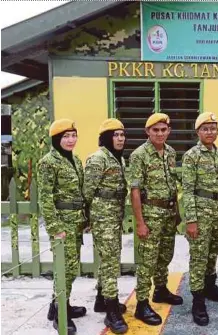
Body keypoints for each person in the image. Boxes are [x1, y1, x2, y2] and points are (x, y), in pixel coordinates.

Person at [129, 113, 183, 326]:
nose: (160, 134)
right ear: (147, 132)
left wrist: (177, 211)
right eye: (155, 130)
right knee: (147, 261)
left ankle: (160, 290)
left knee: (165, 254)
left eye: (163, 130)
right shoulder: (139, 155)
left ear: (169, 131)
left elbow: (172, 184)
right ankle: (142, 303)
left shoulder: (170, 152)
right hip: (151, 214)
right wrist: (140, 222)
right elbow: (134, 190)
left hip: (169, 213)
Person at [182, 112, 218, 326]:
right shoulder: (192, 155)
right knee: (199, 256)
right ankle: (198, 299)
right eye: (205, 128)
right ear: (198, 132)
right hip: (201, 214)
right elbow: (188, 189)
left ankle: (210, 286)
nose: (210, 132)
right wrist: (191, 220)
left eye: (213, 128)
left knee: (213, 252)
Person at [38, 119, 87, 334]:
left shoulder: (75, 159)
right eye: (66, 136)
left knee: (71, 268)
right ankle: (60, 314)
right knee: (64, 270)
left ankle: (58, 305)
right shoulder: (48, 162)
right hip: (62, 224)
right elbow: (45, 198)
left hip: (75, 223)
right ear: (57, 139)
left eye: (73, 135)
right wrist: (55, 226)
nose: (71, 140)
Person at [83, 118, 128, 334]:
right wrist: (90, 218)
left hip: (114, 217)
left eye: (122, 135)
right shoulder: (98, 159)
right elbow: (87, 192)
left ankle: (101, 299)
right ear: (106, 138)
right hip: (103, 218)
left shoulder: (119, 159)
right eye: (116, 135)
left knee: (110, 258)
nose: (120, 139)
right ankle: (111, 312)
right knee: (110, 262)